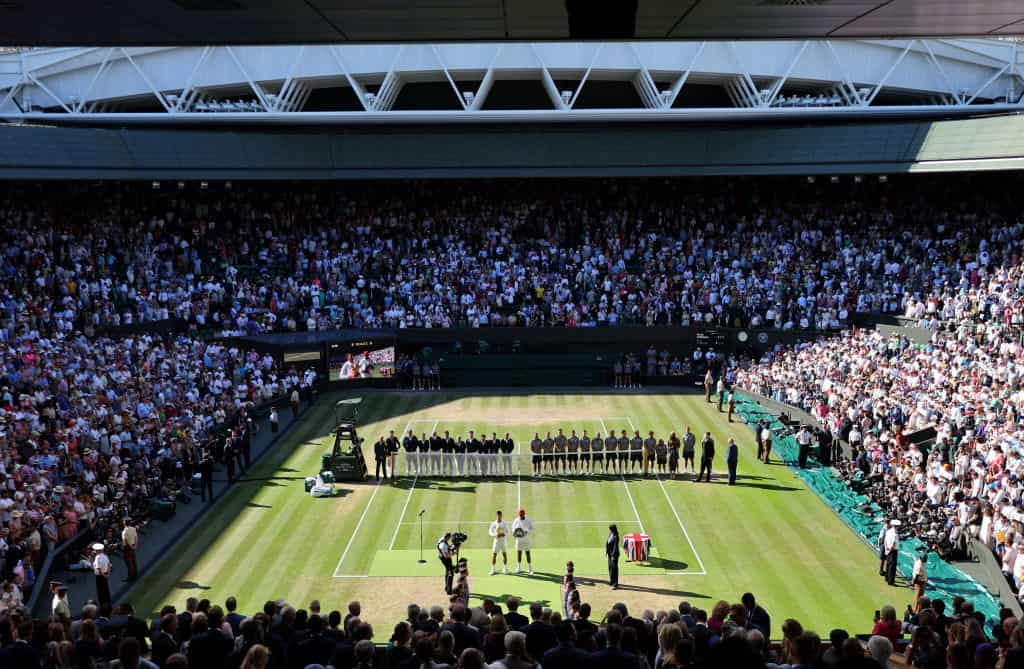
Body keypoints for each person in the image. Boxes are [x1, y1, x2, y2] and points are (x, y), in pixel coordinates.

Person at [512, 508, 535, 574]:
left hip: (526, 539)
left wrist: (527, 531)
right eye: (520, 515)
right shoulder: (516, 520)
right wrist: (516, 533)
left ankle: (529, 568)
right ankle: (519, 567)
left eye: (522, 515)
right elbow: (513, 528)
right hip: (519, 539)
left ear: (524, 514)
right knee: (519, 552)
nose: (520, 516)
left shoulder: (529, 520)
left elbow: (533, 527)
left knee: (527, 552)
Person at [488, 510, 509, 575]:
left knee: (504, 554)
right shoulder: (493, 523)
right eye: (498, 516)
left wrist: (504, 534)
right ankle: (493, 569)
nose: (499, 517)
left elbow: (508, 531)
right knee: (494, 555)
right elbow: (490, 532)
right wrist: (495, 535)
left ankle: (505, 569)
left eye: (500, 515)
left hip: (503, 541)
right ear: (497, 516)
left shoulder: (505, 523)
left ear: (501, 516)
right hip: (496, 541)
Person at [92, 542, 112, 606]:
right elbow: (109, 565)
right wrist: (108, 574)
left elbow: (98, 568)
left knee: (100, 591)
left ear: (97, 550)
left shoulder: (97, 557)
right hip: (105, 574)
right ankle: (108, 602)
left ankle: (103, 604)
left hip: (100, 576)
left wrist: (103, 575)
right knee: (106, 589)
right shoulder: (105, 556)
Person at [883, 520, 900, 586]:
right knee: (892, 566)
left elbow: (885, 541)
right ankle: (890, 581)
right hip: (893, 551)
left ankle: (887, 577)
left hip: (888, 549)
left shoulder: (889, 531)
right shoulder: (895, 534)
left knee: (888, 564)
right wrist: (889, 550)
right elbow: (893, 544)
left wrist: (886, 550)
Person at [606, 524, 621, 589]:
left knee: (614, 569)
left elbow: (615, 547)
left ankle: (615, 584)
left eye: (610, 529)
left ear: (612, 529)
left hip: (614, 555)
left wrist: (613, 556)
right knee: (610, 568)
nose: (609, 530)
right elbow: (608, 542)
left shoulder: (616, 536)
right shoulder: (610, 534)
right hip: (610, 554)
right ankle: (612, 581)